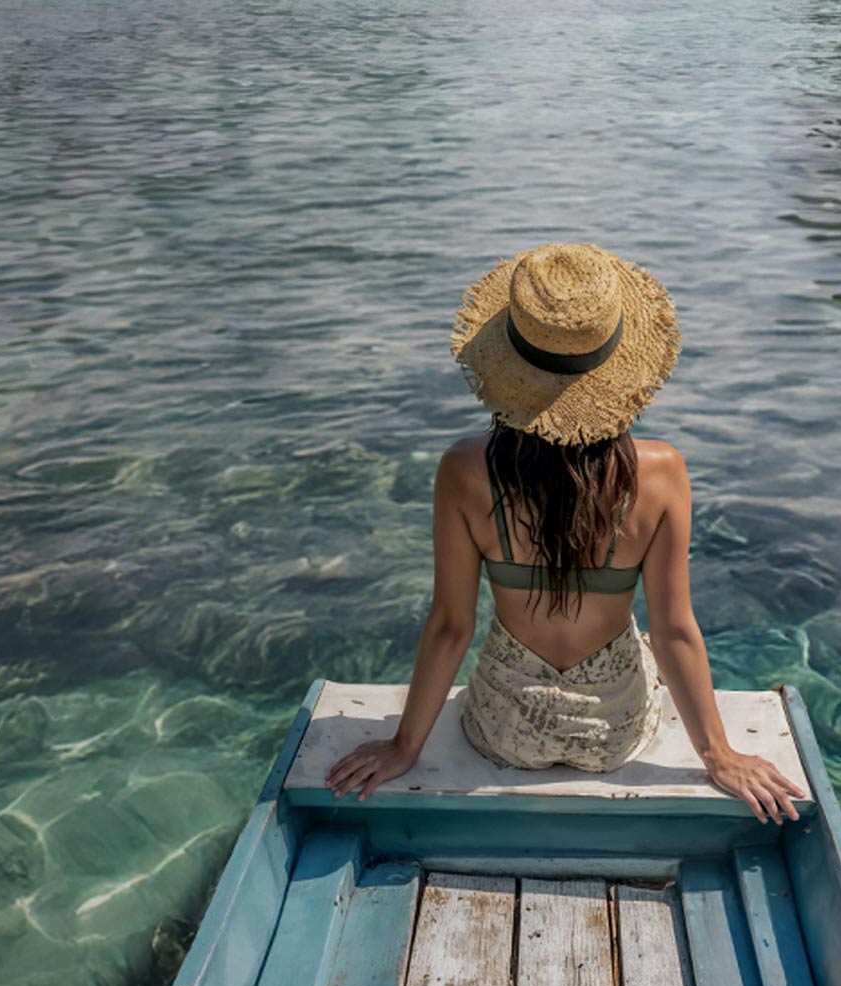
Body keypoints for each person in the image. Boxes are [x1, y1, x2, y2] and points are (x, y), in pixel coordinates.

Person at [324, 242, 805, 823]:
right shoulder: (661, 473)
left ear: (509, 366)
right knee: (646, 646)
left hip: (508, 730)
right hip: (613, 732)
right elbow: (675, 628)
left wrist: (405, 747)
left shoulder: (463, 471)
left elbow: (451, 627)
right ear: (619, 366)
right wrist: (719, 756)